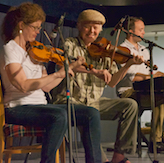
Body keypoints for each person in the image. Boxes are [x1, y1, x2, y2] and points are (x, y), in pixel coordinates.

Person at [0, 2, 102, 163]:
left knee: (91, 113)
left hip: (41, 106)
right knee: (58, 115)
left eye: (39, 28)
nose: (38, 32)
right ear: (21, 25)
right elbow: (23, 85)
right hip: (17, 107)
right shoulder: (10, 49)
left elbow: (46, 86)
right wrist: (59, 73)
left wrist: (65, 73)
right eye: (35, 27)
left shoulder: (34, 51)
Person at [51, 9, 144, 163]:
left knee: (130, 105)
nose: (92, 31)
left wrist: (128, 64)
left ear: (101, 29)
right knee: (88, 113)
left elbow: (113, 82)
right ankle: (100, 160)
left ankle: (119, 157)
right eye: (88, 26)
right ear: (80, 26)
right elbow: (65, 65)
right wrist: (94, 71)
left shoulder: (105, 50)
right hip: (69, 101)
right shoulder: (69, 44)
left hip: (94, 102)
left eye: (96, 27)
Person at [116, 16, 164, 152]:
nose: (143, 33)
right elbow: (133, 77)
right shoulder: (121, 50)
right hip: (129, 91)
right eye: (141, 30)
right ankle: (155, 141)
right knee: (158, 98)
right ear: (130, 31)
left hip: (145, 90)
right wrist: (158, 75)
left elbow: (150, 73)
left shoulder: (144, 50)